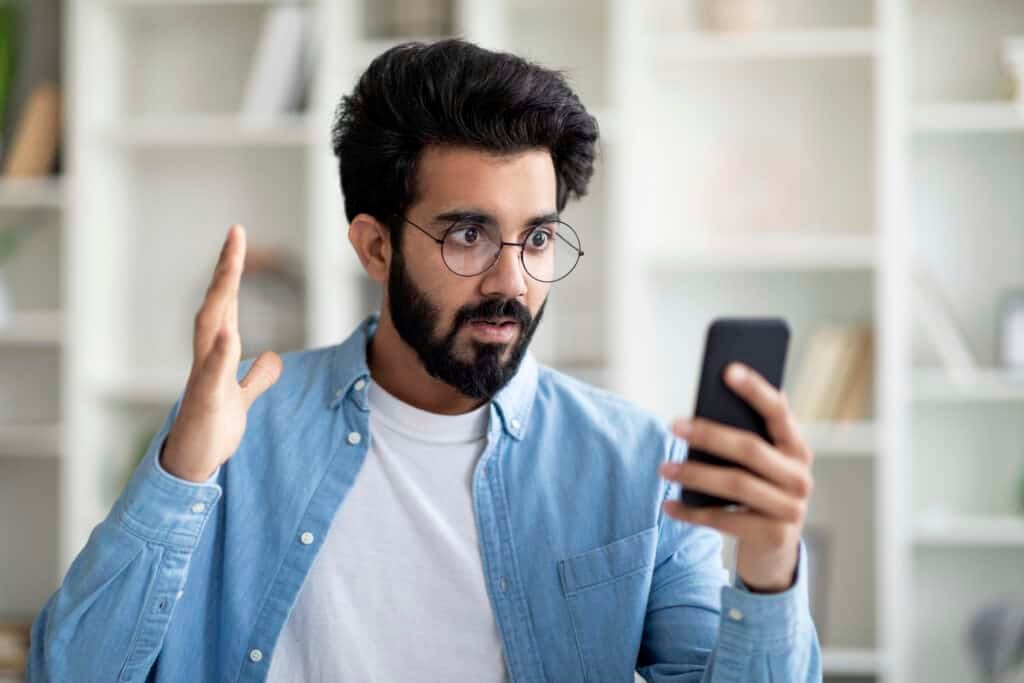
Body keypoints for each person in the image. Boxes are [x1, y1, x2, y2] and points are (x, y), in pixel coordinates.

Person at [28, 39, 821, 681]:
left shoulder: (643, 464)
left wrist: (768, 567)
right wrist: (181, 474)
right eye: (468, 235)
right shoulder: (237, 432)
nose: (512, 281)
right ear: (376, 245)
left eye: (538, 237)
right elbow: (69, 671)